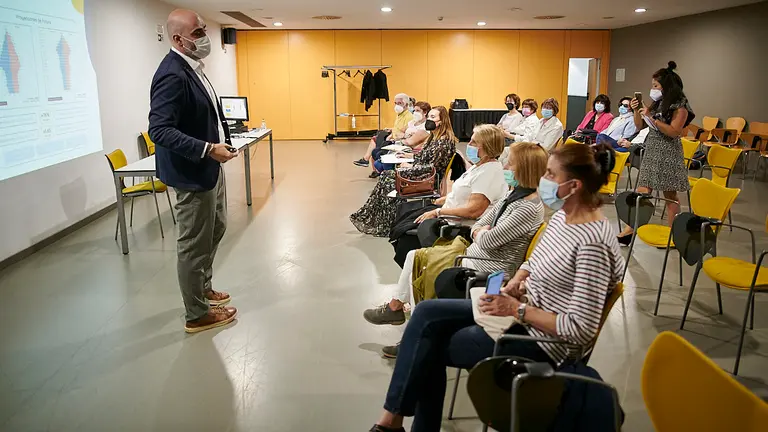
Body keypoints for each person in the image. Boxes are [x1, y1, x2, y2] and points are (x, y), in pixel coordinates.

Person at [367, 143, 624, 432]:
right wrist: (517, 281)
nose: (543, 180)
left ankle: (390, 423)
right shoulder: (566, 217)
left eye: (551, 174)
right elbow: (536, 259)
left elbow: (580, 328)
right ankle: (391, 422)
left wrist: (518, 308)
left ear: (573, 185)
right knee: (427, 313)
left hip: (538, 341)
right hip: (519, 313)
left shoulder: (593, 244)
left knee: (429, 346)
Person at [364, 142, 547, 359]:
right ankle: (398, 311)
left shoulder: (527, 207)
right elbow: (483, 223)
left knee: (421, 262)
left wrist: (480, 233)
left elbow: (488, 239)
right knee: (414, 255)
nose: (506, 167)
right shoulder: (513, 195)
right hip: (479, 252)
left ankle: (410, 337)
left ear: (524, 169)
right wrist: (481, 232)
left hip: (490, 264)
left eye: (511, 164)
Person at [148, 9, 237, 333]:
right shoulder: (172, 73)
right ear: (178, 39)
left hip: (210, 166)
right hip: (192, 171)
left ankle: (204, 288)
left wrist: (220, 143)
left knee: (216, 229)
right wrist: (207, 148)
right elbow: (159, 129)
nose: (205, 36)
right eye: (198, 32)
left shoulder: (194, 68)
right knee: (193, 244)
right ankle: (196, 314)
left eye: (203, 29)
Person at [617, 61, 695, 245]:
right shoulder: (657, 103)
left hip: (668, 152)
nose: (653, 89)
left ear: (666, 86)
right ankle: (630, 229)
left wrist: (652, 118)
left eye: (656, 86)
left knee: (670, 195)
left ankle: (672, 233)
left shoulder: (680, 106)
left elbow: (674, 131)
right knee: (643, 190)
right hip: (652, 148)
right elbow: (639, 125)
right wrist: (638, 111)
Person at [350, 106, 457, 237]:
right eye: (428, 116)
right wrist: (409, 157)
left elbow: (431, 168)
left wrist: (410, 167)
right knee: (386, 176)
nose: (429, 120)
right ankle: (378, 218)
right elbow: (423, 157)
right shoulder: (433, 138)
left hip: (426, 178)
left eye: (433, 117)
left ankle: (382, 220)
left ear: (442, 121)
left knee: (388, 178)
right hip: (421, 173)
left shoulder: (443, 142)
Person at [354, 93, 414, 168]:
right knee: (377, 138)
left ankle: (366, 159)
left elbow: (404, 132)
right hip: (392, 137)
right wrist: (391, 130)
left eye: (400, 103)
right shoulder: (399, 115)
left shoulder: (409, 117)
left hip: (398, 142)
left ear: (406, 104)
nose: (397, 106)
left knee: (376, 143)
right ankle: (368, 162)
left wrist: (391, 136)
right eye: (395, 103)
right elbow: (398, 128)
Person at [371, 102, 431, 175]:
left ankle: (392, 180)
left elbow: (410, 142)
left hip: (411, 150)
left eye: (418, 111)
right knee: (377, 158)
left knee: (383, 163)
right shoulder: (412, 122)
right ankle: (387, 178)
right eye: (414, 110)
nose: (415, 113)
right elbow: (398, 132)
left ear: (425, 112)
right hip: (400, 146)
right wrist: (406, 135)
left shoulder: (425, 126)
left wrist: (404, 137)